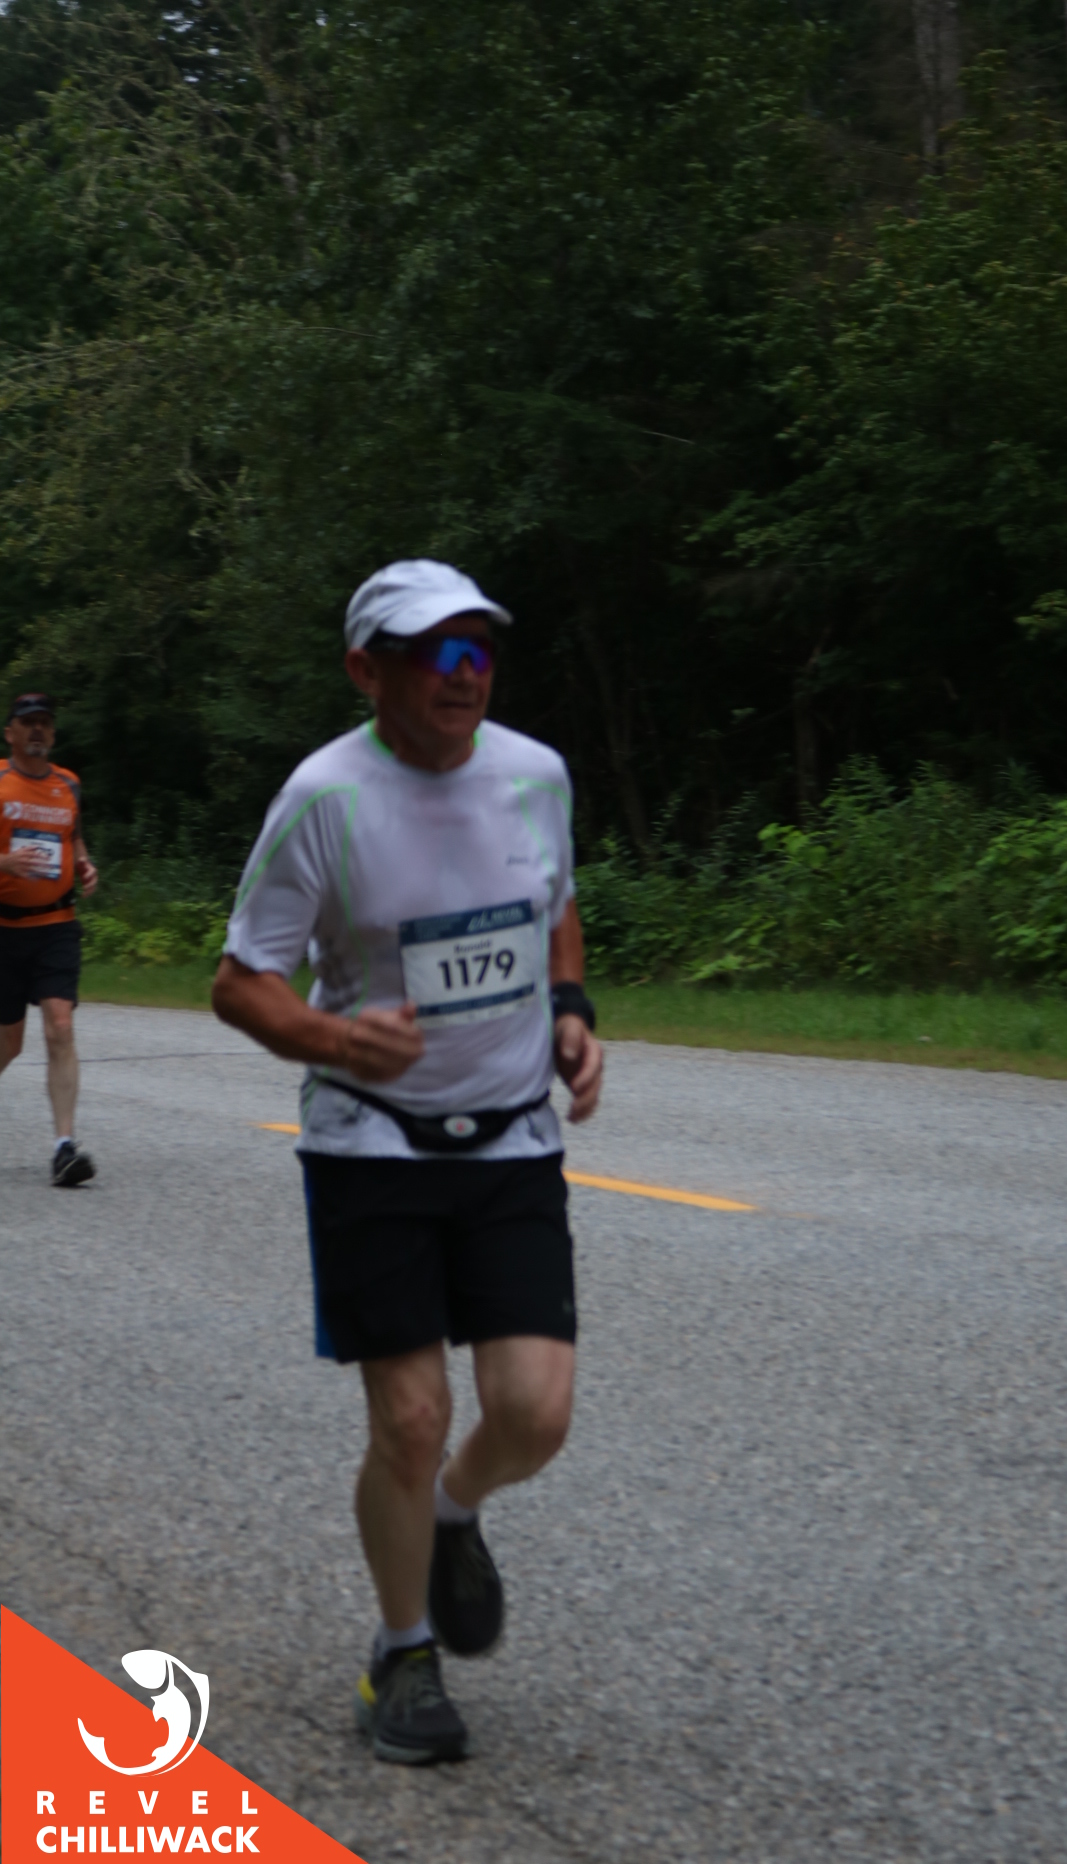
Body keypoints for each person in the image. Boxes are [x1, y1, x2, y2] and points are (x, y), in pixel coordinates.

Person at [212, 559, 604, 1765]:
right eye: (432, 651)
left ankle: (449, 1512)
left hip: (511, 1136)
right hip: (371, 1143)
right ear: (364, 671)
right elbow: (241, 981)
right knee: (413, 1414)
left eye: (477, 648)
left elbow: (553, 906)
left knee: (533, 1414)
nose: (462, 672)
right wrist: (336, 1039)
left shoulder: (534, 774)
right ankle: (401, 1654)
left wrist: (572, 1010)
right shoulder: (323, 798)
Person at [0, 692, 99, 1186]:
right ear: (10, 733)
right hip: (4, 930)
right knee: (8, 1042)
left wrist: (84, 863)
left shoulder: (69, 784)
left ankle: (65, 1148)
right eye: (28, 723)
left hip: (57, 925)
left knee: (60, 1025)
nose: (37, 730)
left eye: (45, 723)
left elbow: (73, 836)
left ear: (54, 734)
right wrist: (4, 862)